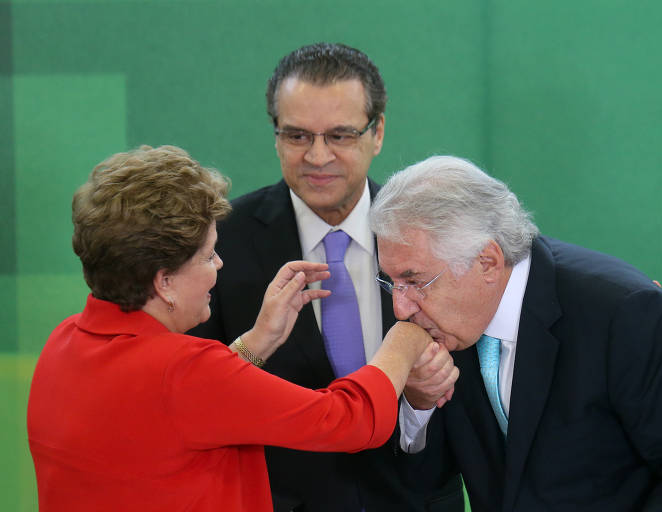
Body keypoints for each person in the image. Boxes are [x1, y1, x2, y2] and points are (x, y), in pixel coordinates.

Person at [26, 145, 438, 512]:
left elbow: (174, 414)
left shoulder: (63, 342)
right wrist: (406, 335)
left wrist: (261, 339)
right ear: (163, 281)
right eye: (207, 257)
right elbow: (350, 420)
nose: (219, 266)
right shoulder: (183, 371)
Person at [369, 155, 662, 511]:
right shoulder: (444, 324)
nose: (400, 307)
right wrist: (418, 404)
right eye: (392, 282)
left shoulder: (626, 314)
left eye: (414, 281)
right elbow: (425, 488)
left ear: (487, 261)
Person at [189, 43, 463, 511]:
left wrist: (419, 398)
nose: (318, 157)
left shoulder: (434, 236)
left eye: (339, 135)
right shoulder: (217, 246)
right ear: (275, 136)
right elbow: (197, 403)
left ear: (377, 133)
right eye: (297, 136)